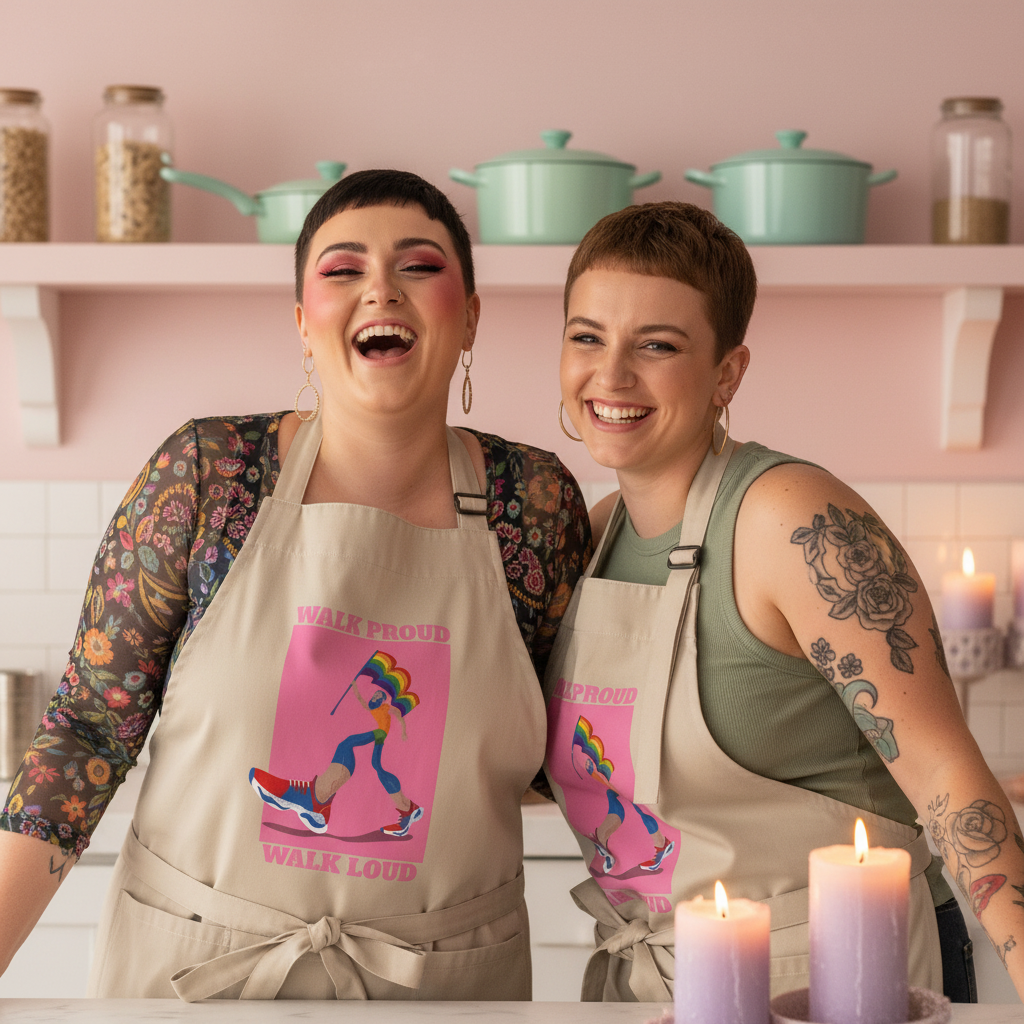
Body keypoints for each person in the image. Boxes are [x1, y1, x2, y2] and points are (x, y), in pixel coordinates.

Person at [0, 169, 591, 1001]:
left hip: (448, 990)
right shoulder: (207, 476)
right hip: (197, 979)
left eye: (419, 267)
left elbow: (567, 753)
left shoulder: (534, 505)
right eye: (342, 270)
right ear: (302, 325)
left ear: (471, 318)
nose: (380, 288)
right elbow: (91, 731)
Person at [543, 201, 1024, 1004]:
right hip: (662, 983)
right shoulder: (595, 538)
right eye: (587, 336)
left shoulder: (789, 516)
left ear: (728, 373)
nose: (612, 375)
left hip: (845, 985)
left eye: (657, 345)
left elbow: (946, 772)